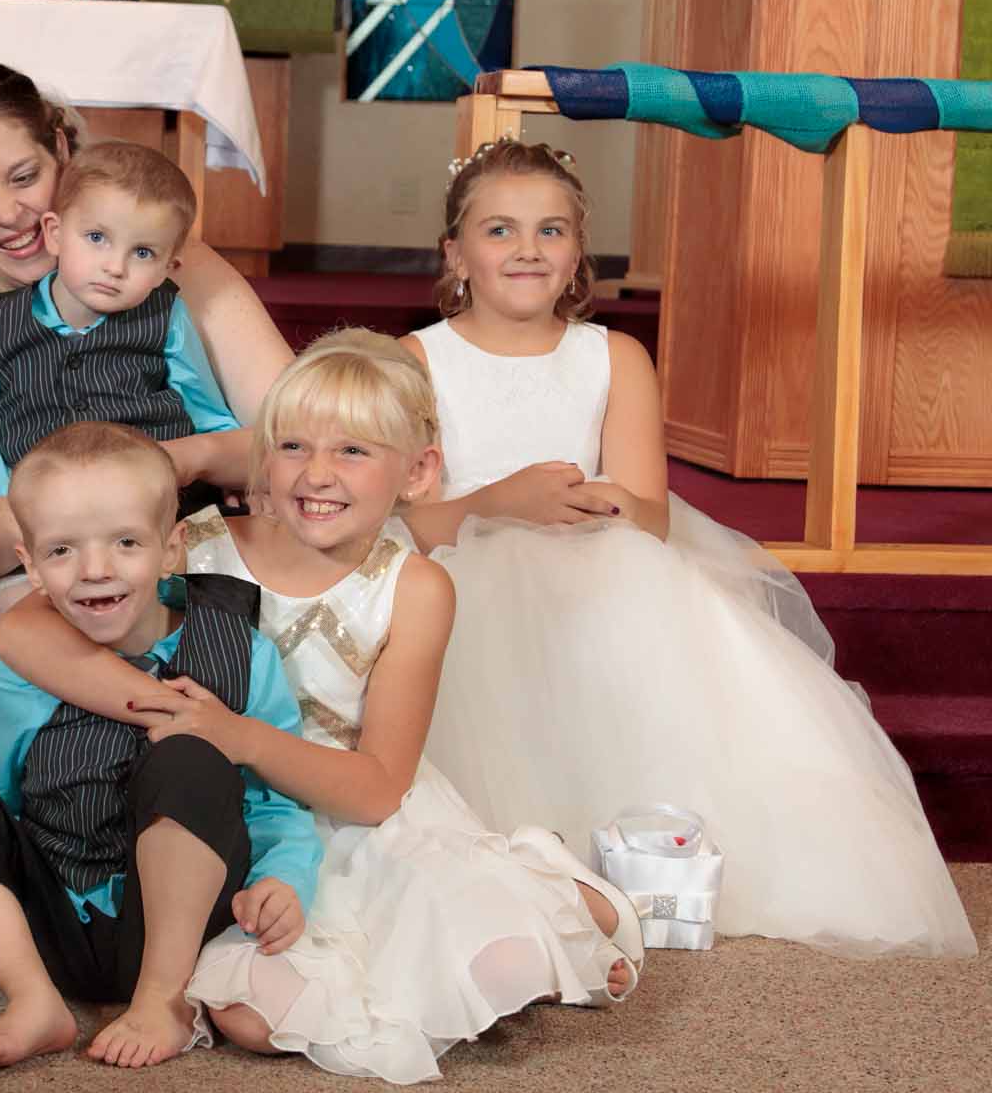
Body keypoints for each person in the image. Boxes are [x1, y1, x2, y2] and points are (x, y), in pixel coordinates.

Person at [0, 332, 642, 1081]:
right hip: (221, 820)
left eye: (354, 452)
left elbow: (376, 790)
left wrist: (237, 736)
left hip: (351, 816)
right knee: (251, 1021)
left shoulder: (415, 588)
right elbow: (20, 630)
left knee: (494, 967)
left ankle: (545, 885)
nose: (318, 474)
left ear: (418, 471)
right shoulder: (194, 545)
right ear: (263, 457)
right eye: (292, 445)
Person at [401, 137, 975, 958]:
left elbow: (651, 515)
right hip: (459, 575)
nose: (527, 249)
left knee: (650, 642)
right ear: (456, 251)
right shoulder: (418, 360)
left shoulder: (613, 357)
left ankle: (650, 861)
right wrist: (496, 505)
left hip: (599, 563)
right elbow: (400, 521)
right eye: (500, 231)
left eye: (551, 231)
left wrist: (599, 501)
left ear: (577, 255)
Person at [0, 62, 293, 763]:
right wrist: (74, 531)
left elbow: (299, 440)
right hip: (17, 570)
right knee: (60, 634)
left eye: (24, 177)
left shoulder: (165, 268)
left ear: (63, 149)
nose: (8, 214)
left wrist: (194, 461)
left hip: (182, 538)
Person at [0, 423, 320, 1070]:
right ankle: (33, 999)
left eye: (126, 542)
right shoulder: (21, 667)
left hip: (174, 924)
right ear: (32, 565)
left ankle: (162, 1000)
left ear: (172, 547)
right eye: (63, 550)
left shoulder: (241, 652)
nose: (95, 569)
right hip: (57, 923)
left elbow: (277, 801)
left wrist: (282, 880)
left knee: (190, 755)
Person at [0, 139, 243, 516]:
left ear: (168, 267)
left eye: (143, 252)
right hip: (45, 517)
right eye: (97, 238)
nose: (115, 267)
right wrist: (24, 502)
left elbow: (210, 418)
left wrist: (228, 473)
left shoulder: (166, 316)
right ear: (54, 233)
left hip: (159, 509)